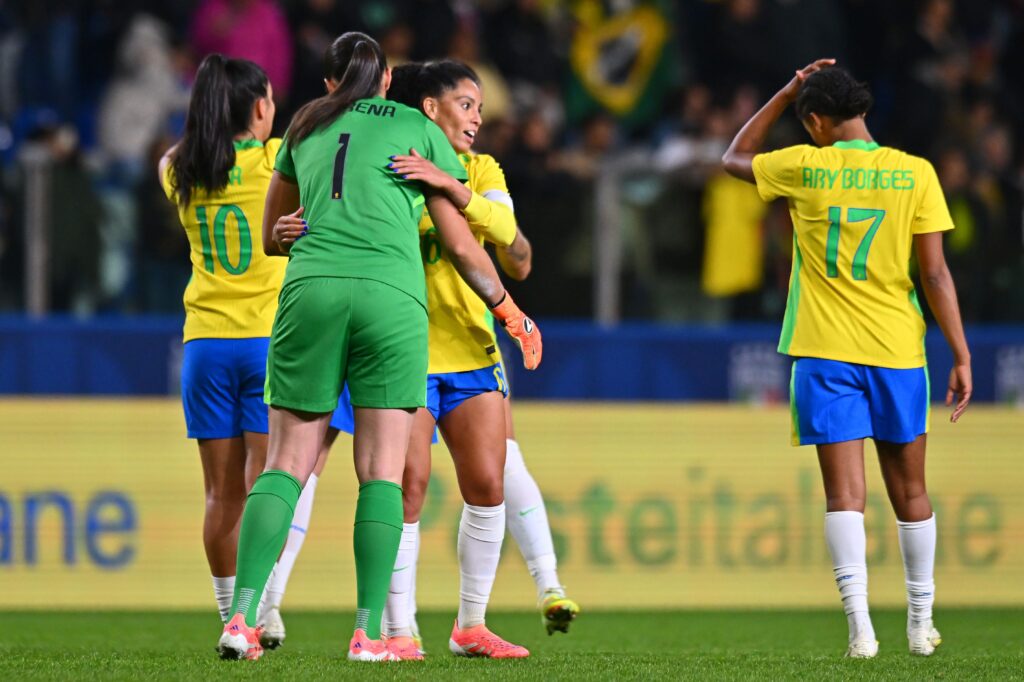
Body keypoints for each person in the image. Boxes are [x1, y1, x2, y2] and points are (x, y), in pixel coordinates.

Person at [215, 33, 540, 662]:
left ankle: (242, 617)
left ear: (331, 83)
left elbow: (274, 235)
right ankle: (371, 632)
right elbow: (464, 247)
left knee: (285, 464)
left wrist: (290, 234)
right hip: (391, 300)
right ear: (388, 83)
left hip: (310, 293)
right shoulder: (417, 130)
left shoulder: (306, 123)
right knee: (382, 472)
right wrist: (509, 310)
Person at [722, 61, 972, 658]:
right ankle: (920, 622)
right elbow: (934, 273)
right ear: (861, 111)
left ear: (815, 120)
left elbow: (734, 157)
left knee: (845, 497)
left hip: (823, 352)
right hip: (896, 351)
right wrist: (960, 353)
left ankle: (861, 629)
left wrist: (782, 91)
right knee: (911, 491)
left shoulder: (805, 164)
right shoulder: (915, 173)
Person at [158, 54, 281, 629]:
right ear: (260, 108)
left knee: (220, 493)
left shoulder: (179, 170)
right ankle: (260, 609)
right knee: (267, 487)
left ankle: (233, 618)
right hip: (265, 341)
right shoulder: (278, 161)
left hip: (205, 344)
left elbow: (174, 152)